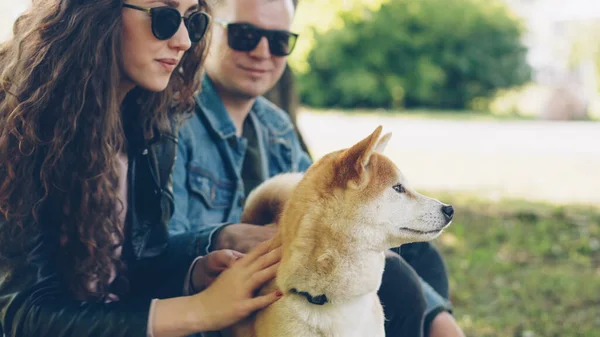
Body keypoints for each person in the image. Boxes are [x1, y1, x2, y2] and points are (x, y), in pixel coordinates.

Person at [169, 0, 465, 336]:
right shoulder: (173, 123)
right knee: (398, 281)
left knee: (421, 252)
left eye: (280, 41)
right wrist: (221, 237)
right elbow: (152, 249)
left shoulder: (276, 126)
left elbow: (327, 204)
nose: (262, 52)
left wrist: (438, 314)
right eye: (245, 35)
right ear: (206, 30)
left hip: (296, 268)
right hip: (240, 290)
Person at [0, 1, 283, 336]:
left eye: (193, 21)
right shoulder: (22, 129)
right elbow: (21, 314)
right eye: (164, 18)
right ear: (98, 13)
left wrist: (196, 267)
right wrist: (199, 311)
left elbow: (133, 264)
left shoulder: (149, 124)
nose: (184, 40)